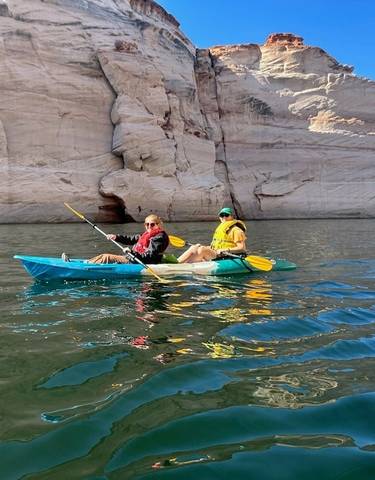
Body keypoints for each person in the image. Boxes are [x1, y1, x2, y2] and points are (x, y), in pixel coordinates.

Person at [87, 214, 169, 264]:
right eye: (147, 224)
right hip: (135, 258)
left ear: (158, 225)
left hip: (142, 262)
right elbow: (130, 239)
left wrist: (132, 253)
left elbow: (150, 256)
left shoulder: (159, 237)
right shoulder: (146, 235)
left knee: (106, 257)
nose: (149, 227)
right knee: (103, 256)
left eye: (152, 224)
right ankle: (87, 263)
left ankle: (87, 266)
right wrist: (116, 237)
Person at [178, 207, 247, 263]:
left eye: (226, 215)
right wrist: (207, 247)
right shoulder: (222, 228)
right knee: (195, 246)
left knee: (202, 249)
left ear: (232, 216)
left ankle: (185, 265)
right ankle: (178, 262)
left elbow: (242, 248)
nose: (224, 217)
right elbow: (215, 245)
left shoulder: (236, 230)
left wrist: (226, 250)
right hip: (217, 252)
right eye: (221, 215)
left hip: (227, 255)